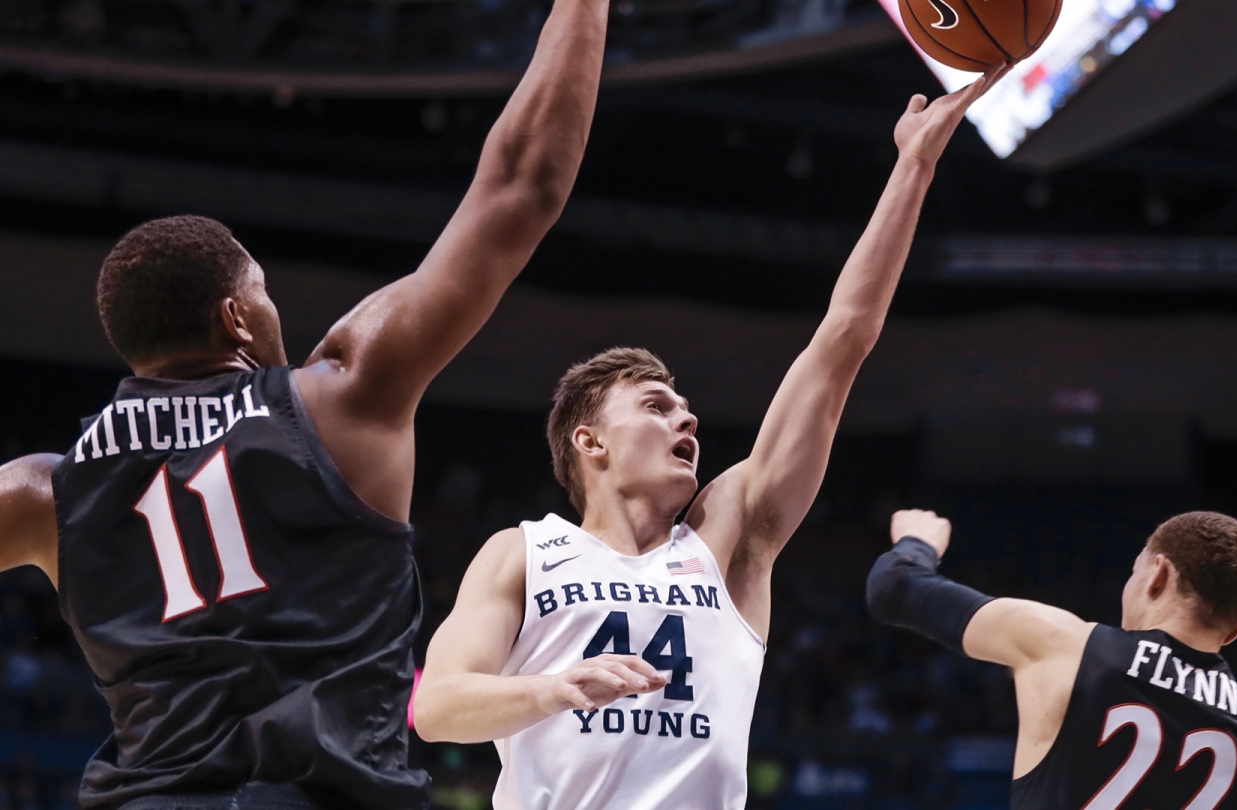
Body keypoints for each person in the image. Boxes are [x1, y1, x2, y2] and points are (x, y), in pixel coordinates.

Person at [0, 0, 612, 802]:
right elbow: (521, 186)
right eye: (263, 291)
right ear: (236, 318)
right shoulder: (342, 397)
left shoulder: (44, 490)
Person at [411, 67, 1012, 809]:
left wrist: (914, 166)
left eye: (686, 408)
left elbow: (842, 341)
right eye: (658, 406)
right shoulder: (524, 551)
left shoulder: (726, 538)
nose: (687, 419)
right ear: (589, 441)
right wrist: (553, 688)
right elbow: (437, 705)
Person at [867, 508, 1237, 810]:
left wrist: (918, 540)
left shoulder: (1067, 646)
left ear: (1157, 574)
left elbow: (893, 586)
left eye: (1134, 571)